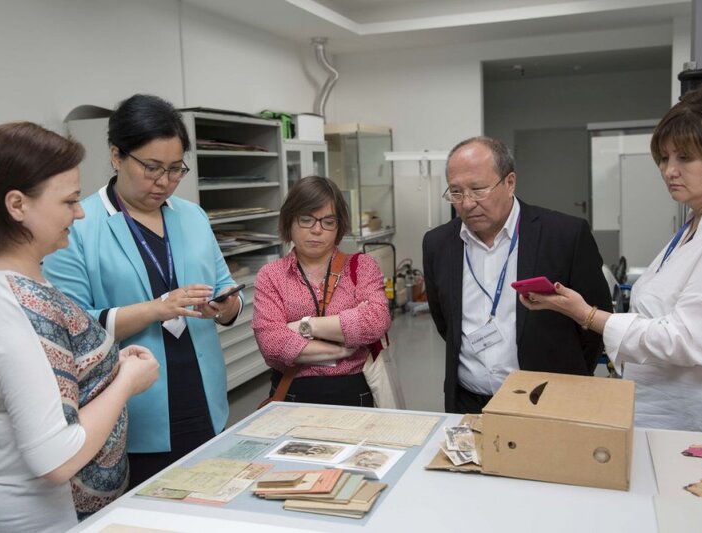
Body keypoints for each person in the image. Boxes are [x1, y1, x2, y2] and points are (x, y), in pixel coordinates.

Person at [520, 84, 702, 436]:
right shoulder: (700, 221)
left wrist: (586, 315)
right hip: (676, 410)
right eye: (664, 158)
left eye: (685, 158)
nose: (669, 171)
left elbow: (688, 338)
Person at [0, 122, 159, 532]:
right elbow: (56, 458)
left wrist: (101, 367)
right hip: (46, 519)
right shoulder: (12, 305)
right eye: (69, 201)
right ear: (17, 205)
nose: (80, 212)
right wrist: (126, 381)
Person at [44, 94, 243, 487]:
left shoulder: (192, 216)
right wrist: (157, 309)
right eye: (151, 167)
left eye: (175, 169)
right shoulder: (79, 226)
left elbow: (226, 290)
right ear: (117, 156)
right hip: (133, 404)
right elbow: (72, 329)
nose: (164, 181)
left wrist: (224, 306)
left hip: (203, 393)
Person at [422, 136, 612, 414]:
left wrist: (570, 377)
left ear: (510, 182)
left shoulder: (564, 235)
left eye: (478, 190)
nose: (467, 203)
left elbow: (595, 320)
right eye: (456, 192)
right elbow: (445, 321)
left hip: (548, 400)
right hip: (467, 401)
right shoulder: (438, 244)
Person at [252, 176, 391, 407]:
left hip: (353, 392)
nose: (317, 230)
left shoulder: (361, 267)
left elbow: (376, 321)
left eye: (328, 221)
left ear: (339, 226)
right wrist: (343, 349)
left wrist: (304, 326)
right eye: (306, 220)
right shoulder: (271, 275)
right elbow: (272, 344)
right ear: (289, 221)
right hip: (291, 392)